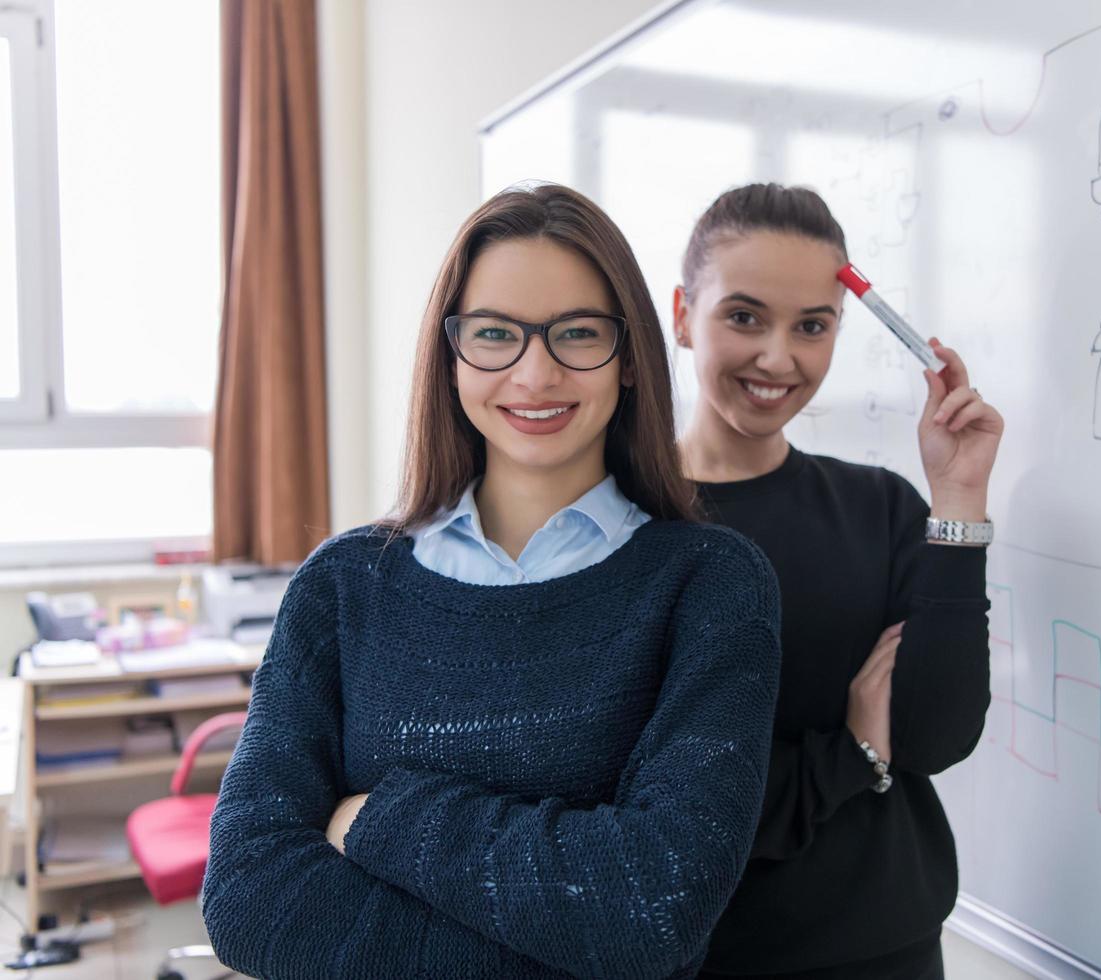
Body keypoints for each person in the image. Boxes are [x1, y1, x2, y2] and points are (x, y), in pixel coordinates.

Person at [202, 183, 783, 979]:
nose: (534, 372)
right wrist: (566, 929)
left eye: (578, 333)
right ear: (450, 360)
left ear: (631, 361)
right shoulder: (341, 587)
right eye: (494, 334)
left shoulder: (710, 586)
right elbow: (247, 902)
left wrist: (379, 817)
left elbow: (654, 909)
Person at [673, 184, 1003, 980]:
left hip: (886, 952)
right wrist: (852, 753)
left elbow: (936, 736)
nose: (779, 358)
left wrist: (958, 499)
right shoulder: (625, 526)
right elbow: (674, 799)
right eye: (744, 317)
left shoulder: (882, 507)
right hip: (699, 956)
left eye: (812, 326)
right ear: (683, 315)